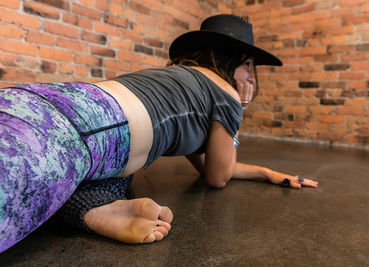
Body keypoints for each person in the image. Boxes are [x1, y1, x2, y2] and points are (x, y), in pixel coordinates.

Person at [0, 14, 318, 252]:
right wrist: (240, 109)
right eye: (248, 65)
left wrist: (266, 173)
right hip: (81, 129)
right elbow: (217, 178)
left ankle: (91, 203)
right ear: (229, 60)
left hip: (51, 102)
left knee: (113, 175)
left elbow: (211, 163)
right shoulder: (227, 94)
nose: (251, 76)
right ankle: (91, 203)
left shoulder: (179, 82)